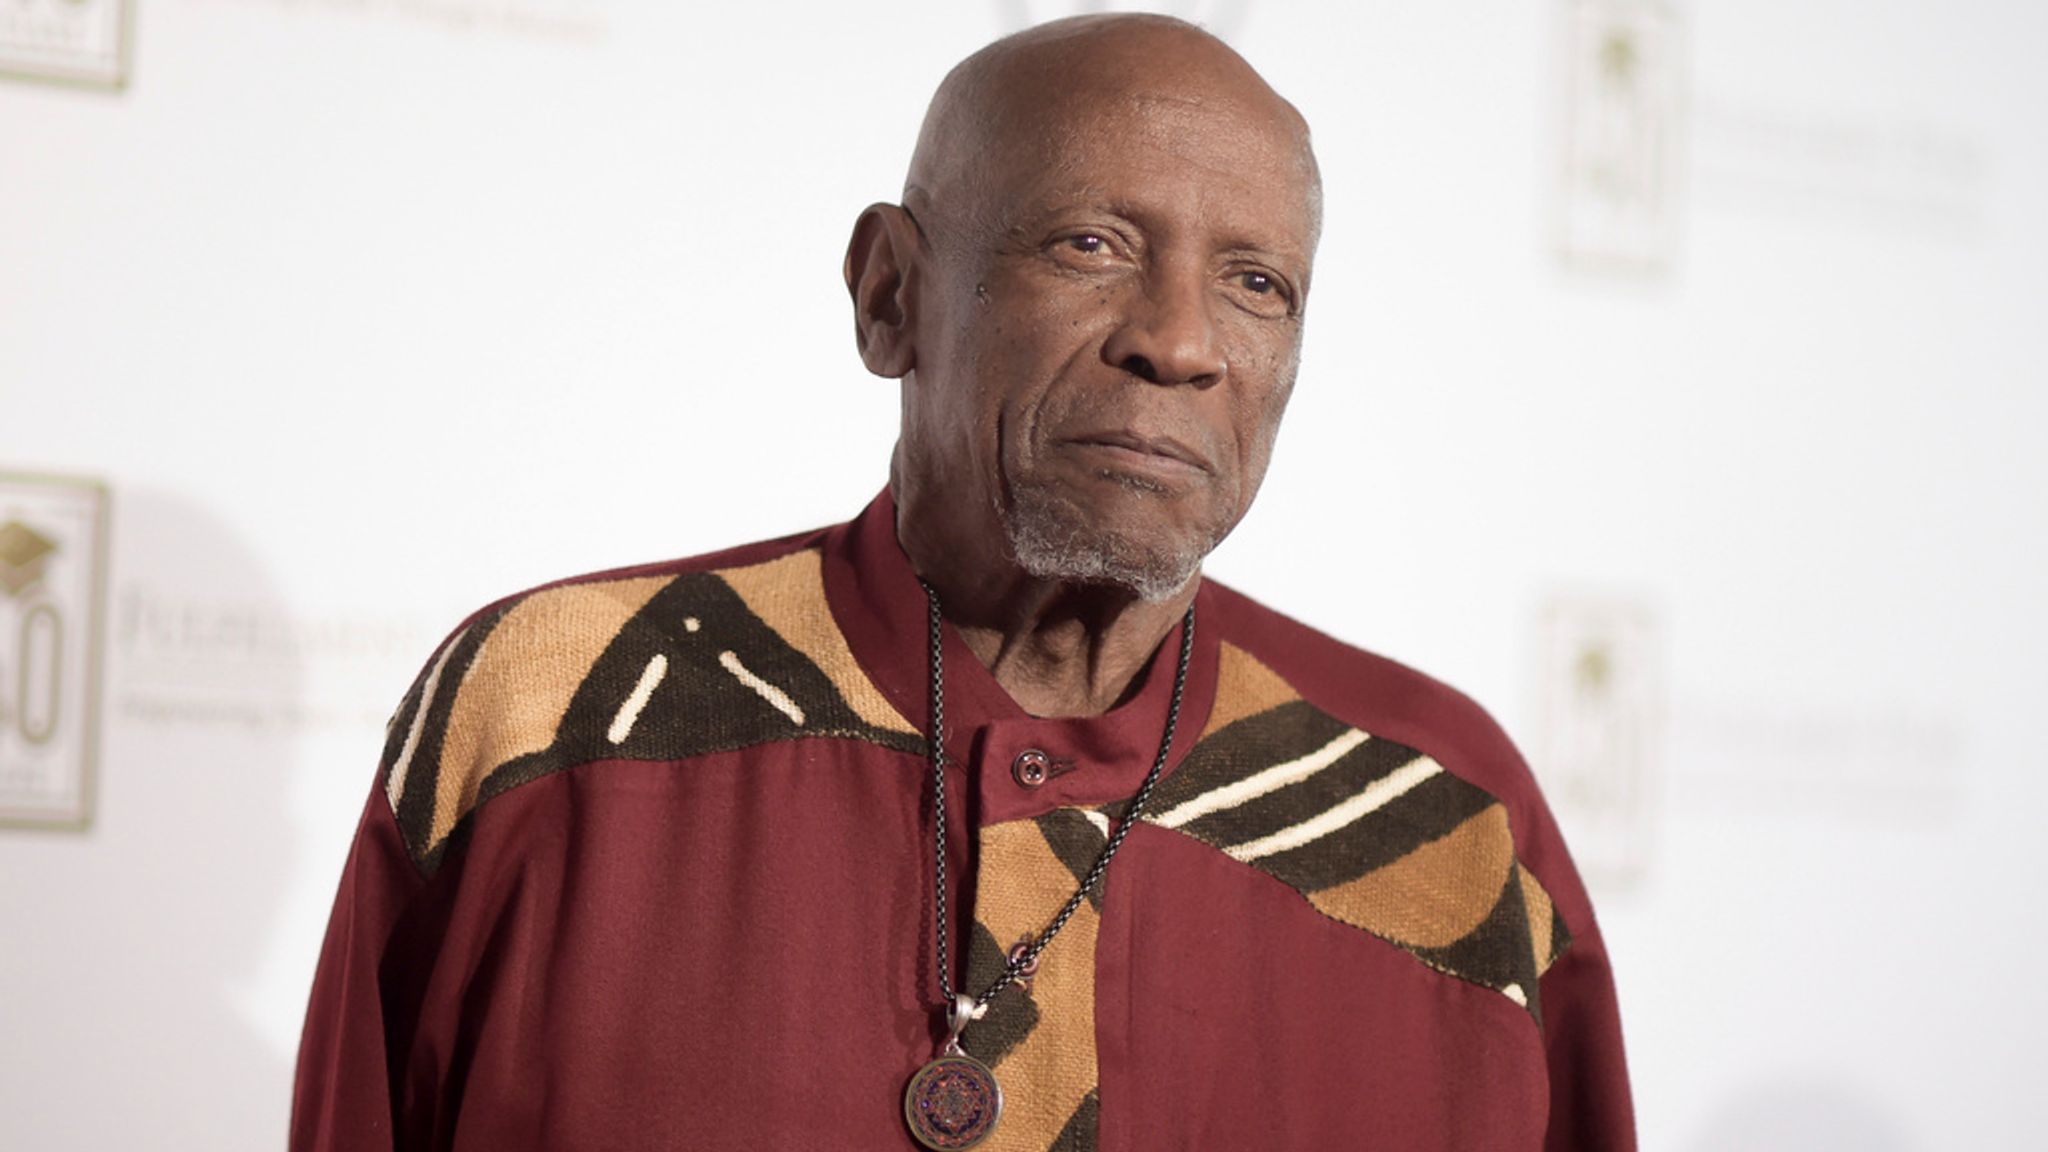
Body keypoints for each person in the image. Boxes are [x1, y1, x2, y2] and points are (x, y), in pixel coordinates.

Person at [292, 14, 1635, 1152]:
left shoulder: (1452, 821)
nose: (1179, 342)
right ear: (890, 296)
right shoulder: (551, 719)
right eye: (1092, 245)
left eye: (1257, 284)